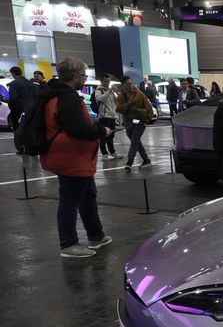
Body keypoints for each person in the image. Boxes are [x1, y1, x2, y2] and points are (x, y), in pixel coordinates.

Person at [37, 58, 113, 258]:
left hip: (73, 157)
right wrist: (102, 130)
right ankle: (68, 244)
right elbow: (78, 129)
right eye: (84, 76)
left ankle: (96, 235)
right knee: (70, 200)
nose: (84, 80)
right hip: (71, 157)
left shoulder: (54, 94)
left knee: (88, 196)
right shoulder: (67, 97)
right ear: (75, 76)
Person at [116, 75, 154, 171]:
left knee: (134, 141)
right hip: (128, 122)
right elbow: (119, 109)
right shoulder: (121, 96)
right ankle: (146, 159)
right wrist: (128, 103)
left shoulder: (139, 94)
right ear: (123, 85)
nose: (130, 86)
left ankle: (129, 162)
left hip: (140, 122)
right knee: (136, 142)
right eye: (127, 84)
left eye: (131, 83)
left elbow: (148, 106)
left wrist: (148, 119)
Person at [8, 66, 37, 154]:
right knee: (30, 129)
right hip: (31, 110)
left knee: (18, 130)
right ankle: (31, 148)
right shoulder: (31, 83)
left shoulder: (14, 84)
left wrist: (11, 106)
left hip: (18, 110)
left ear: (13, 73)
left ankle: (21, 148)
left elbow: (13, 98)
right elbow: (36, 96)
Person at [93, 73, 119, 160]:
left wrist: (116, 92)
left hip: (111, 116)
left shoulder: (110, 91)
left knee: (111, 136)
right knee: (103, 136)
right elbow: (101, 98)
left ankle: (112, 152)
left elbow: (115, 102)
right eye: (106, 80)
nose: (108, 82)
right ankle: (104, 154)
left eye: (109, 81)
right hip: (104, 117)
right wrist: (110, 90)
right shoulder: (98, 90)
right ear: (101, 81)